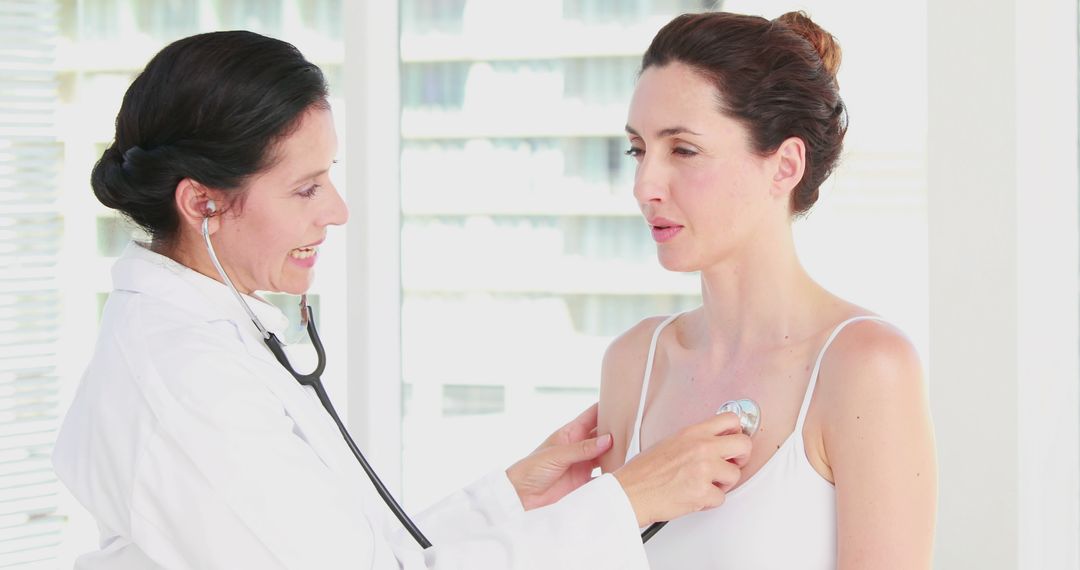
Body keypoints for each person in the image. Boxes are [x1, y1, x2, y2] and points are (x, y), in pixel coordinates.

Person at [51, 30, 755, 569]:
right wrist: (625, 503)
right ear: (201, 201)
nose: (337, 211)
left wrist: (508, 496)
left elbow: (352, 552)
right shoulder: (184, 381)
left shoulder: (209, 340)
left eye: (328, 177)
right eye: (304, 188)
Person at [597, 11, 937, 569]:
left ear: (784, 166)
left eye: (682, 149)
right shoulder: (634, 363)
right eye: (639, 150)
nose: (644, 186)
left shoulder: (865, 368)